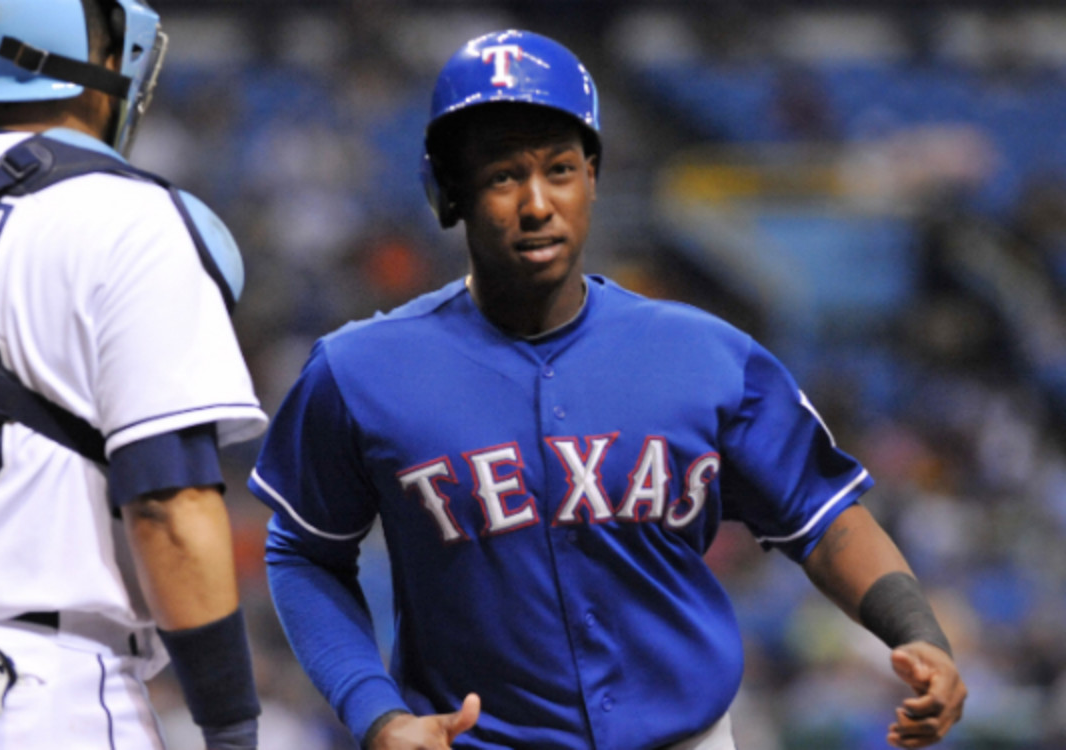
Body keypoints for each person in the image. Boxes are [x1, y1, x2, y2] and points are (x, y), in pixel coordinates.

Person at [249, 29, 966, 750]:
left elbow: (824, 516)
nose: (537, 203)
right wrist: (376, 712)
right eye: (502, 176)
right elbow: (304, 552)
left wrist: (918, 632)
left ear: (592, 176)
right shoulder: (359, 370)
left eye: (559, 168)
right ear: (448, 192)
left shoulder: (707, 353)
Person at [0, 1, 267, 748]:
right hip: (37, 691)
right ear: (107, 61)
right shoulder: (128, 220)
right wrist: (231, 728)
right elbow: (170, 508)